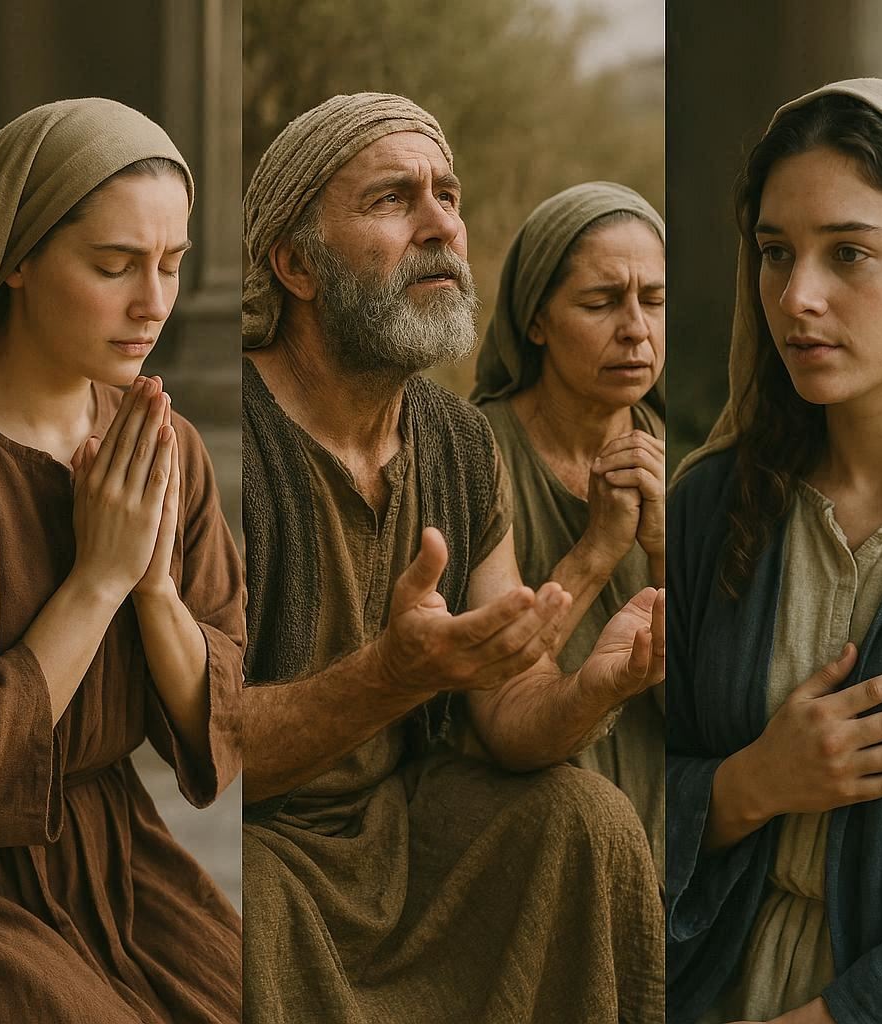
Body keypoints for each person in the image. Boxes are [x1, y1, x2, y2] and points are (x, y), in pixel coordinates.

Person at [242, 92, 665, 1024]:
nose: (441, 226)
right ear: (295, 265)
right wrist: (388, 677)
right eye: (395, 200)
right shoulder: (224, 443)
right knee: (246, 901)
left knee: (584, 820)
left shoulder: (456, 443)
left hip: (404, 828)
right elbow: (197, 752)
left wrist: (592, 689)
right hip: (257, 837)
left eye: (449, 196)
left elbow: (509, 714)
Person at [667, 79, 882, 1023]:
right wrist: (750, 784)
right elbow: (611, 786)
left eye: (848, 253)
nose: (796, 297)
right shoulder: (716, 507)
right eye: (773, 254)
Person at [0, 98, 243, 1022]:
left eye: (173, 264)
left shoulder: (163, 446)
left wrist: (153, 592)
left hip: (120, 858)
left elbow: (224, 721)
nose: (155, 302)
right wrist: (97, 580)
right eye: (114, 266)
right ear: (18, 258)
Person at [471, 181, 666, 876]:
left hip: (662, 815)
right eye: (601, 301)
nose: (636, 329)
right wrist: (598, 550)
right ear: (536, 321)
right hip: (527, 818)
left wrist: (670, 555)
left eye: (653, 300)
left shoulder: (685, 465)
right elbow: (491, 692)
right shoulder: (475, 453)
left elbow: (717, 711)